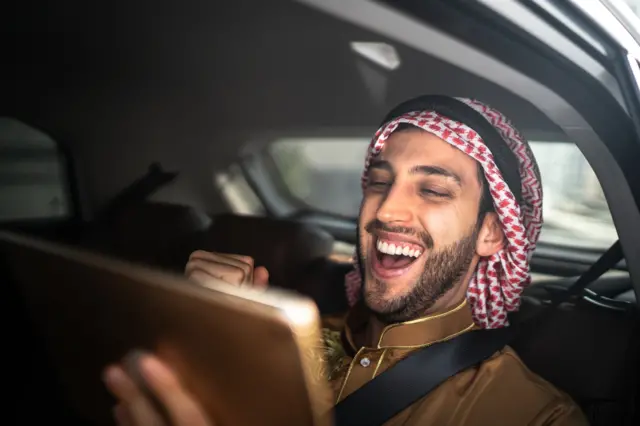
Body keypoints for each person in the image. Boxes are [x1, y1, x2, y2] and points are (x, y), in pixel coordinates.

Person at [102, 95, 589, 425]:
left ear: (491, 232)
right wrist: (210, 335)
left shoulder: (534, 415)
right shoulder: (293, 339)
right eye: (379, 182)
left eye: (434, 190)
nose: (386, 210)